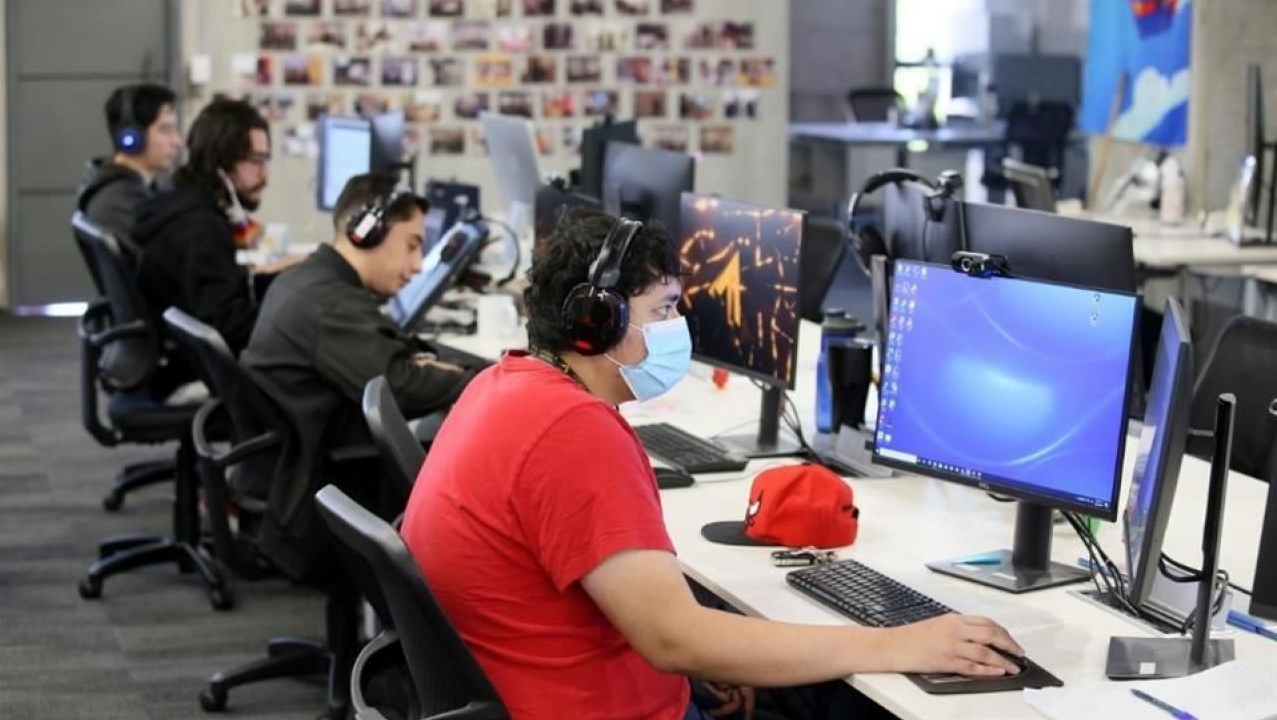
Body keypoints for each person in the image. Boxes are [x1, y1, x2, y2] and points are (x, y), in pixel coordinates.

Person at [400, 210, 1026, 720]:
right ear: (596, 323)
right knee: (855, 704)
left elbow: (663, 635)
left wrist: (699, 662)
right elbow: (674, 638)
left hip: (543, 688)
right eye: (663, 309)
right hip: (591, 707)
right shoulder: (572, 431)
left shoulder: (505, 384)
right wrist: (899, 643)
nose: (679, 327)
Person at [242, 173, 476, 579]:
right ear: (367, 233)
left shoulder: (311, 280)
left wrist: (426, 363)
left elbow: (395, 354)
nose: (417, 266)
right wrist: (480, 377)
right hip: (323, 484)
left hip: (301, 466)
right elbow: (400, 385)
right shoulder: (332, 305)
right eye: (412, 245)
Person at [133, 98, 298, 357]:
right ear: (221, 163)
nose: (266, 175)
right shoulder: (201, 228)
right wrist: (301, 315)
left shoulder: (183, 203)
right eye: (256, 161)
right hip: (191, 366)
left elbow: (224, 293)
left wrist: (290, 279)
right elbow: (229, 328)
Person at [76, 83, 182, 258]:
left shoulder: (133, 191)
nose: (177, 142)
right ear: (131, 138)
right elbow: (174, 262)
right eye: (165, 130)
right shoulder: (120, 204)